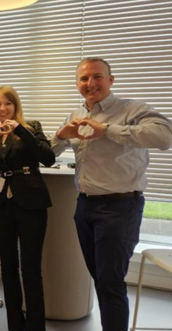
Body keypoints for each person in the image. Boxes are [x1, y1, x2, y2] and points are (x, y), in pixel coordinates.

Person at [51, 57, 172, 331]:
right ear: (77, 84)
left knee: (110, 283)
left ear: (111, 80)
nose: (90, 83)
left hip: (119, 209)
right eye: (83, 78)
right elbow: (52, 151)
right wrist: (60, 133)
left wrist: (105, 130)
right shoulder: (74, 115)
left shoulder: (132, 109)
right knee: (102, 279)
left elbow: (165, 136)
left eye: (97, 76)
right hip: (84, 208)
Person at [0, 86, 55, 331]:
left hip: (31, 201)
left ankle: (35, 326)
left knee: (30, 268)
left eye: (7, 104)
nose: (2, 109)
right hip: (4, 203)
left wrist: (20, 130)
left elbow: (48, 158)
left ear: (16, 106)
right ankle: (15, 324)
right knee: (8, 266)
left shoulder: (31, 126)